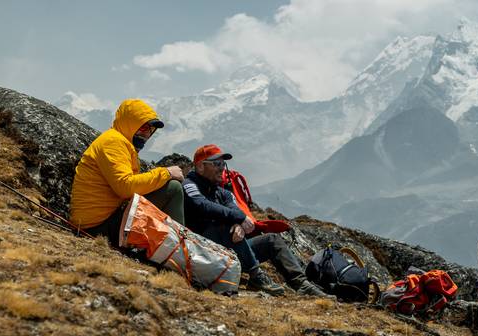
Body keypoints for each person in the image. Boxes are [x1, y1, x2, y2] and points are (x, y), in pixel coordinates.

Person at [183, 144, 333, 298]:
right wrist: (237, 220)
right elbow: (203, 206)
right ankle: (256, 275)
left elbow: (235, 209)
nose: (222, 168)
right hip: (202, 252)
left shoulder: (222, 192)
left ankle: (301, 284)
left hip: (230, 249)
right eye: (217, 163)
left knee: (272, 240)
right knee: (222, 226)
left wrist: (237, 223)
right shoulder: (189, 185)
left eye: (223, 163)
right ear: (201, 166)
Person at [70, 99, 185, 245]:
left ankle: (173, 245)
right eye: (143, 128)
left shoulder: (120, 141)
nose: (146, 135)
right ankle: (180, 246)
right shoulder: (113, 142)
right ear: (130, 124)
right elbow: (125, 187)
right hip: (96, 227)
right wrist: (166, 173)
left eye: (150, 130)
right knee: (173, 188)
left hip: (100, 221)